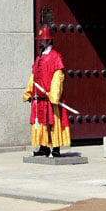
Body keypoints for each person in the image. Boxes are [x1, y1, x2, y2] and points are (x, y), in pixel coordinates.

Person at [22, 25, 70, 157]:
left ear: (49, 41)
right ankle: (43, 147)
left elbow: (58, 77)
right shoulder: (39, 58)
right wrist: (29, 93)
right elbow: (34, 77)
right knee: (41, 123)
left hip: (50, 98)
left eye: (42, 40)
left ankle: (55, 148)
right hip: (40, 98)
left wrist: (54, 95)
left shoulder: (55, 57)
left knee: (52, 123)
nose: (40, 42)